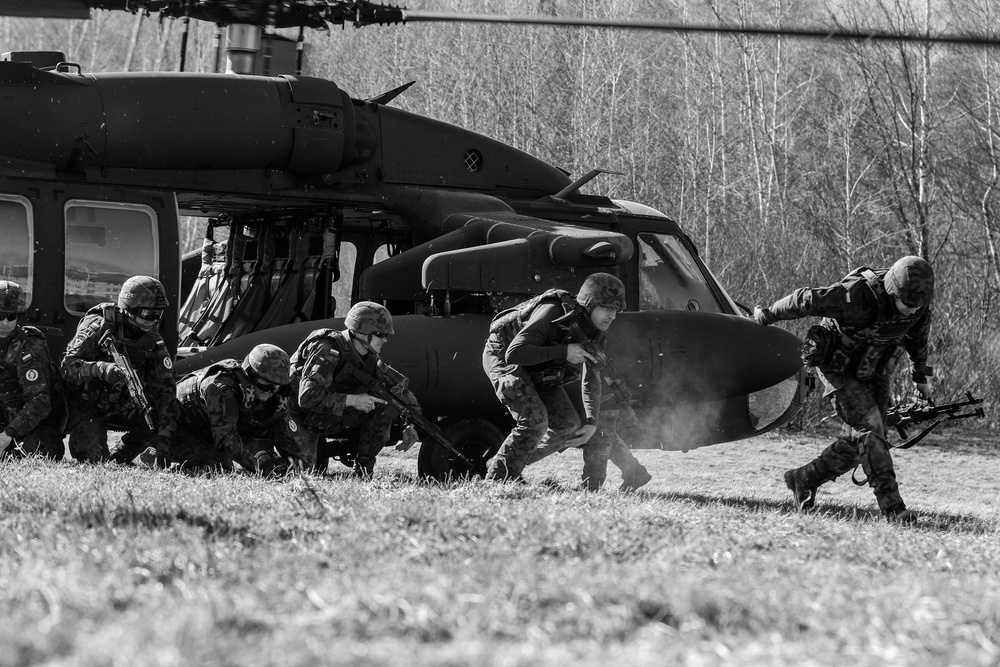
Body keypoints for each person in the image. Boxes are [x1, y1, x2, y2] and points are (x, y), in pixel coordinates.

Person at [753, 256, 935, 523]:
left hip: (874, 368)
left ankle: (803, 480)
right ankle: (893, 509)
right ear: (893, 291)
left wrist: (920, 377)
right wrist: (767, 314)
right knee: (871, 429)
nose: (912, 310)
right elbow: (807, 299)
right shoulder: (858, 296)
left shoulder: (918, 306)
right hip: (837, 366)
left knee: (864, 440)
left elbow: (917, 339)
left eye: (917, 305)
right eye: (907, 304)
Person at [484, 272, 635, 483]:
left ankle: (503, 465)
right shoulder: (553, 311)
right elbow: (514, 352)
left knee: (567, 425)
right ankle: (496, 481)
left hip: (538, 364)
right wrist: (564, 352)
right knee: (535, 420)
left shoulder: (596, 332)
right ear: (589, 305)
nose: (613, 316)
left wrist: (591, 422)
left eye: (616, 310)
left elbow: (591, 377)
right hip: (504, 356)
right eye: (607, 309)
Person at [287, 301, 418, 477]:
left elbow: (398, 392)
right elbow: (307, 398)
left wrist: (408, 424)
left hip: (323, 415)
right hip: (296, 415)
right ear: (362, 333)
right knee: (303, 474)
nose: (385, 340)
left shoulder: (369, 358)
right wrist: (353, 400)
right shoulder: (328, 349)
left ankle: (363, 471)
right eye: (380, 334)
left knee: (383, 404)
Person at [61, 275, 177, 465]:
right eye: (148, 314)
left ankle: (120, 456)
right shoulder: (98, 326)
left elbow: (166, 391)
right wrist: (101, 369)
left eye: (159, 314)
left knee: (156, 416)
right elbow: (67, 366)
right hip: (85, 404)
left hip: (121, 404)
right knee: (95, 460)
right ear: (130, 308)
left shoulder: (152, 340)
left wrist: (163, 439)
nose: (153, 320)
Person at [172, 343, 303, 473]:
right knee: (216, 469)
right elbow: (227, 440)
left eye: (277, 386)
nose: (271, 391)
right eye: (266, 384)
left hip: (207, 431)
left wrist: (300, 467)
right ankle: (162, 459)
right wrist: (259, 468)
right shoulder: (222, 387)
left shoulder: (270, 394)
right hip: (174, 426)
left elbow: (283, 433)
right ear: (251, 375)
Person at [0, 280, 67, 459]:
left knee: (40, 449)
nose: (5, 322)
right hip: (5, 415)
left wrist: (7, 435)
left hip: (34, 421)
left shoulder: (30, 346)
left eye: (11, 317)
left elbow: (40, 402)